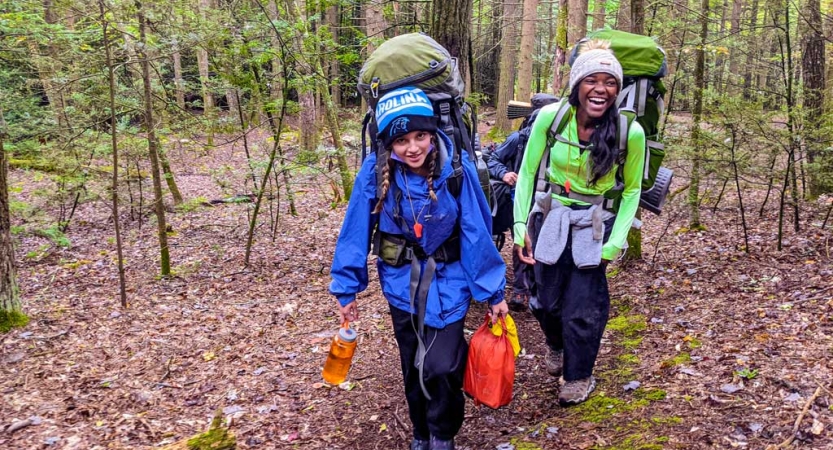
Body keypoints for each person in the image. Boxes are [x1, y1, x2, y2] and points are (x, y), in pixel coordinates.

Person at [330, 86, 508, 450]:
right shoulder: (374, 170)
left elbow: (476, 230)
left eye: (421, 136)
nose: (412, 147)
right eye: (401, 140)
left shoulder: (455, 168)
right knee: (412, 364)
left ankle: (443, 434)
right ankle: (420, 432)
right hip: (400, 284)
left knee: (442, 366)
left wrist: (492, 292)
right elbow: (355, 229)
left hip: (452, 281)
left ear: (432, 133)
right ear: (388, 143)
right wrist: (346, 288)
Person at [512, 40, 646, 406]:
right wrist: (520, 225)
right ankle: (555, 345)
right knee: (544, 303)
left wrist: (616, 242)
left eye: (610, 82)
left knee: (583, 309)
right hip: (550, 217)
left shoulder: (629, 132)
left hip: (594, 224)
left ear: (617, 90)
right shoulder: (551, 118)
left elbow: (632, 190)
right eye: (592, 80)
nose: (600, 89)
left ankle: (578, 376)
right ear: (576, 85)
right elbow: (526, 174)